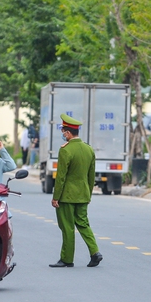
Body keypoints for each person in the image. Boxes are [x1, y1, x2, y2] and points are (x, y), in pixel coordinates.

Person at [49, 114, 102, 268]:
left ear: (68, 133)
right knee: (84, 224)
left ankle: (67, 259)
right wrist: (88, 194)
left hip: (66, 196)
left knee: (67, 227)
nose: (63, 134)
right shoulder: (88, 149)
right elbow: (91, 176)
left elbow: (61, 177)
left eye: (63, 131)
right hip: (83, 195)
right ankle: (95, 252)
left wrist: (55, 197)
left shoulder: (66, 150)